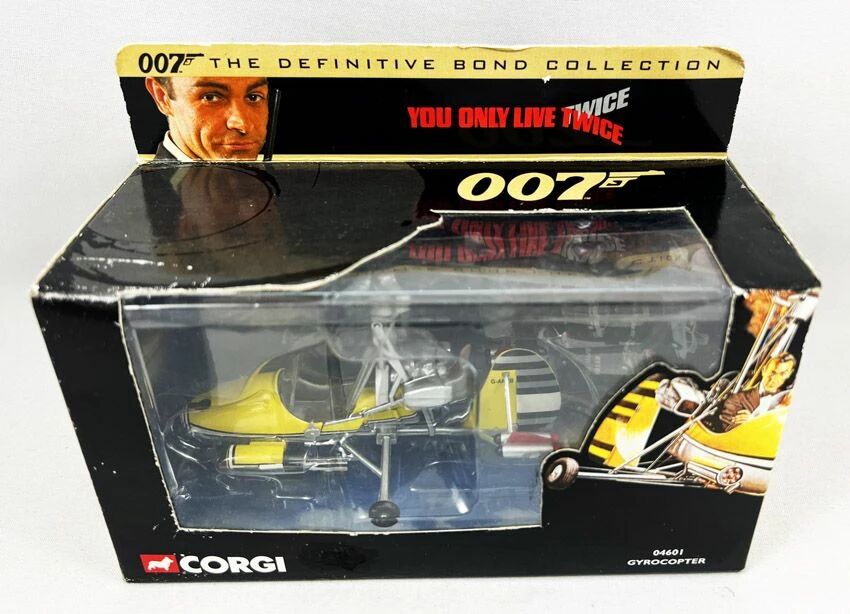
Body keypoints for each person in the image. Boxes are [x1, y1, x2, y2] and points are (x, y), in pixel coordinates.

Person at [655, 352, 796, 432]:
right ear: (764, 370)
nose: (775, 379)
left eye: (782, 374)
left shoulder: (789, 399)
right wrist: (752, 423)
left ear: (789, 375)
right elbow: (726, 430)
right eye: (772, 372)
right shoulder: (737, 399)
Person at [144, 76, 269, 160]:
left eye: (253, 97)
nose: (242, 124)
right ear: (162, 98)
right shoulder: (143, 190)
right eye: (210, 97)